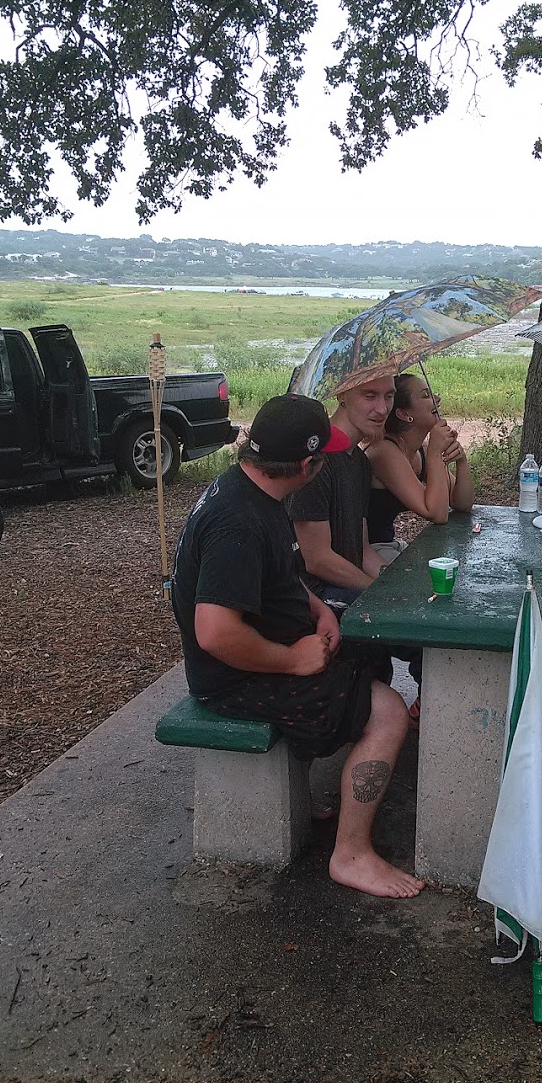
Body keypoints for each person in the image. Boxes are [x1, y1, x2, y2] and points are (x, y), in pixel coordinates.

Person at [171, 392, 424, 900]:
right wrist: (291, 660)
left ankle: (310, 785)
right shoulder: (236, 522)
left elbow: (281, 573)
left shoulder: (253, 488)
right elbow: (214, 632)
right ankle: (350, 854)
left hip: (274, 649)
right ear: (307, 465)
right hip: (235, 679)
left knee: (369, 653)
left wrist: (319, 610)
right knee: (389, 711)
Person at [286, 375, 396, 606]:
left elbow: (363, 551)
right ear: (342, 394)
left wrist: (396, 583)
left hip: (347, 585)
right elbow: (317, 560)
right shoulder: (317, 460)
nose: (383, 409)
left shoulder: (359, 461)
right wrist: (380, 592)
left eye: (389, 396)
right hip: (311, 598)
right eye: (370, 395)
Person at [365, 373, 473, 562]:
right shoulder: (384, 451)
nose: (437, 399)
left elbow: (462, 504)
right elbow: (437, 514)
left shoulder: (420, 450)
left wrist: (461, 460)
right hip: (370, 552)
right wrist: (435, 454)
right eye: (425, 395)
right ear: (404, 414)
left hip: (391, 544)